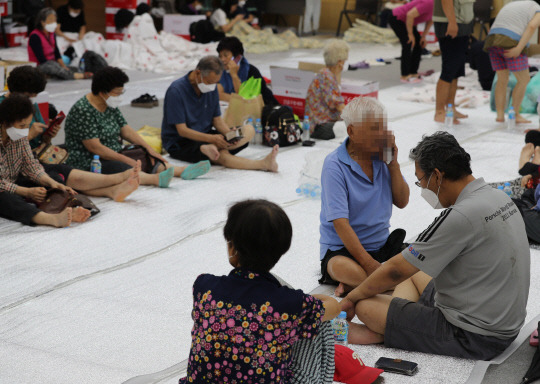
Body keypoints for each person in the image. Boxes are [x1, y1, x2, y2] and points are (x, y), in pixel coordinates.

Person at [340, 131, 530, 360]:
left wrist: (351, 299)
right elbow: (407, 263)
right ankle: (396, 326)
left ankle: (389, 330)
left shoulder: (461, 215)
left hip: (475, 335)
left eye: (421, 180)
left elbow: (395, 270)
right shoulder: (497, 197)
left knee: (366, 306)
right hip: (501, 321)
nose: (422, 188)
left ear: (437, 176)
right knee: (412, 269)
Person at [178, 199, 340, 383]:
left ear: (232, 247)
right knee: (318, 321)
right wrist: (301, 301)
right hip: (287, 312)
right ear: (282, 250)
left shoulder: (204, 287)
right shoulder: (288, 304)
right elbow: (334, 306)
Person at [2, 65, 141, 203]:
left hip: (35, 156)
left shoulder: (32, 106)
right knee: (58, 177)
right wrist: (29, 135)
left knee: (59, 175)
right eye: (29, 96)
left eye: (34, 96)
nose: (32, 99)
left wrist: (48, 135)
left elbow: (36, 153)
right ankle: (122, 178)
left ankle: (115, 186)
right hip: (12, 164)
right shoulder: (5, 109)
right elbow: (10, 146)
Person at [319, 97, 410, 297]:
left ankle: (361, 286)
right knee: (341, 267)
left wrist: (393, 164)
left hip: (381, 246)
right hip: (344, 251)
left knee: (420, 258)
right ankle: (387, 284)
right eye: (374, 129)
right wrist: (369, 265)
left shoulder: (383, 158)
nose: (382, 135)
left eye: (383, 128)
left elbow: (402, 201)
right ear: (351, 131)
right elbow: (340, 223)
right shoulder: (334, 164)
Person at [65, 67, 210, 187]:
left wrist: (149, 149)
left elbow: (125, 129)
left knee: (143, 155)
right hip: (90, 160)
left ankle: (179, 170)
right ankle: (154, 179)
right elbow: (95, 148)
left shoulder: (108, 104)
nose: (120, 96)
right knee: (125, 168)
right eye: (117, 93)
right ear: (103, 92)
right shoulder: (83, 110)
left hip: (114, 152)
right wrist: (125, 159)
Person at [161, 56, 279, 172]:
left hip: (207, 136)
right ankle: (262, 164)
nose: (212, 86)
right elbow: (182, 130)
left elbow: (217, 120)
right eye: (210, 82)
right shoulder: (176, 91)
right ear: (198, 73)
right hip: (181, 142)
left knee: (248, 130)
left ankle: (214, 148)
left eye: (216, 82)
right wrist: (211, 139)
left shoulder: (211, 88)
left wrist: (228, 133)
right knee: (220, 155)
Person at [0, 94, 91, 228]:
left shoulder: (19, 135)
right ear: (5, 122)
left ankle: (66, 207)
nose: (25, 130)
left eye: (27, 125)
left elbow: (30, 165)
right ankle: (51, 218)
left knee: (54, 180)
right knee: (6, 199)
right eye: (21, 125)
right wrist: (25, 192)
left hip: (12, 181)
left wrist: (52, 182)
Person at [484, 0, 540, 124]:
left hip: (492, 40)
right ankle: (514, 113)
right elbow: (531, 26)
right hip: (510, 41)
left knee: (502, 79)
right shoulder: (537, 9)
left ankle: (499, 115)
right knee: (524, 80)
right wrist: (519, 48)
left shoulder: (517, 4)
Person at [432, 0, 474, 123]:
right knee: (449, 67)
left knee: (457, 69)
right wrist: (452, 22)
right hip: (449, 23)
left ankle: (450, 108)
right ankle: (439, 111)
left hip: (462, 22)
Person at [304, 39, 349, 140]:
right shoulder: (327, 77)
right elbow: (339, 106)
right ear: (339, 62)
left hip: (316, 124)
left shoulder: (324, 73)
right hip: (319, 127)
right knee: (347, 129)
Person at [27, 8, 89, 80]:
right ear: (42, 22)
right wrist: (58, 66)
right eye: (50, 20)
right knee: (54, 68)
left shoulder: (52, 34)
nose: (53, 22)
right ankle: (76, 76)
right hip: (41, 65)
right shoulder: (35, 36)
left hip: (53, 63)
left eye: (55, 20)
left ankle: (64, 74)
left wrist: (63, 66)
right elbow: (41, 59)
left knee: (72, 68)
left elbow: (56, 52)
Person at [216, 36, 278, 105]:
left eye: (226, 55)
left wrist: (234, 75)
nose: (222, 60)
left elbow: (245, 99)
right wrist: (236, 99)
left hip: (264, 108)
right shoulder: (222, 71)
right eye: (220, 56)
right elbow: (219, 94)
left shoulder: (251, 72)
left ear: (238, 58)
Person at [388, 0, 434, 83]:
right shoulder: (430, 3)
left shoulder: (440, 8)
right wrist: (410, 34)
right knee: (408, 43)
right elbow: (410, 14)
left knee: (419, 44)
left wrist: (423, 36)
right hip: (397, 18)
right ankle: (404, 75)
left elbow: (431, 20)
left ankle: (413, 72)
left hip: (408, 21)